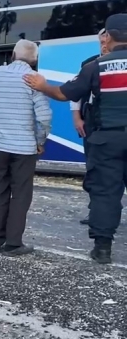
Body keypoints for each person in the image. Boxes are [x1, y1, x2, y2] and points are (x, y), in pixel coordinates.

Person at [24, 14, 127, 264]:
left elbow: (63, 93)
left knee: (105, 193)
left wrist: (42, 85)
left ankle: (102, 249)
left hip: (107, 141)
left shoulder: (95, 66)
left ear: (108, 37)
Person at [0, 40, 52, 256]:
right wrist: (40, 140)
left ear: (12, 54)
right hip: (23, 147)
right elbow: (45, 117)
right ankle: (13, 243)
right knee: (20, 193)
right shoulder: (35, 81)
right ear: (35, 60)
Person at [74, 28, 110, 226]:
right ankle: (95, 212)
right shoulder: (88, 64)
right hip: (92, 121)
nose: (104, 45)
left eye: (107, 40)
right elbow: (77, 94)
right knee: (94, 168)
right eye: (101, 41)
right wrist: (77, 118)